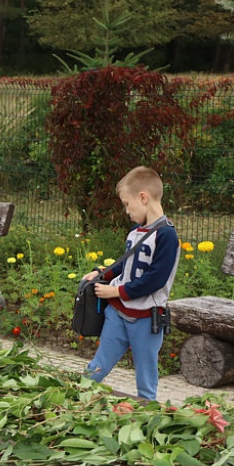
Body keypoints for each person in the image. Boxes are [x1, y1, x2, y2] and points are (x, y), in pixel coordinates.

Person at [83, 166, 179, 401]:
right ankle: (76, 395)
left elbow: (155, 279)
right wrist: (101, 274)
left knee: (145, 375)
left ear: (143, 197)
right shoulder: (136, 230)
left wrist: (115, 290)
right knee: (99, 364)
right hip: (117, 313)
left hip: (146, 319)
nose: (126, 210)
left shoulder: (166, 236)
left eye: (127, 203)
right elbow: (125, 265)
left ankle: (147, 415)